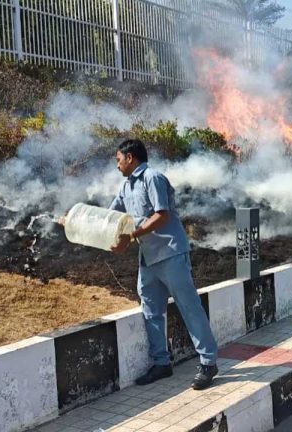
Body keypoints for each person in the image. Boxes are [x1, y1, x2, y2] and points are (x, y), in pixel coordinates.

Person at [107, 139, 219, 389]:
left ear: (130, 158)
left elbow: (162, 214)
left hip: (170, 252)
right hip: (148, 258)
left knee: (189, 306)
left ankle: (209, 362)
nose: (117, 165)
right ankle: (161, 363)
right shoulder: (126, 188)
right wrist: (78, 221)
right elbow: (112, 217)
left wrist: (132, 236)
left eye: (118, 159)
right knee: (151, 311)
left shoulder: (152, 178)